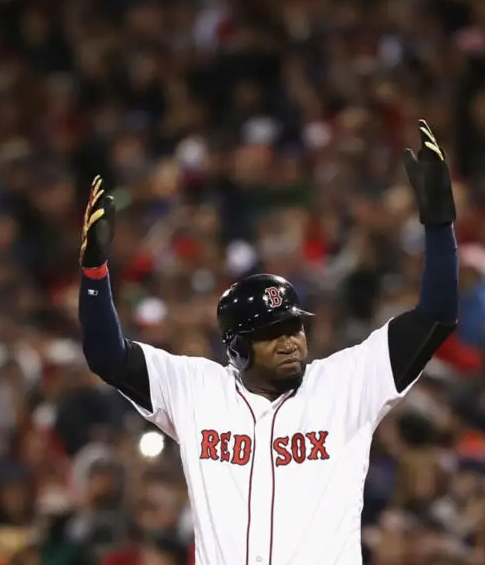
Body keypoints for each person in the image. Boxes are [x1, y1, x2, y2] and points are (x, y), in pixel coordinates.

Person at [77, 121, 460, 565]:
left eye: (293, 328)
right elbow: (106, 354)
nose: (290, 342)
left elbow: (436, 316)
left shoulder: (346, 383)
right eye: (271, 334)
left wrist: (439, 224)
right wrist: (94, 275)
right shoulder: (195, 389)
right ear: (236, 347)